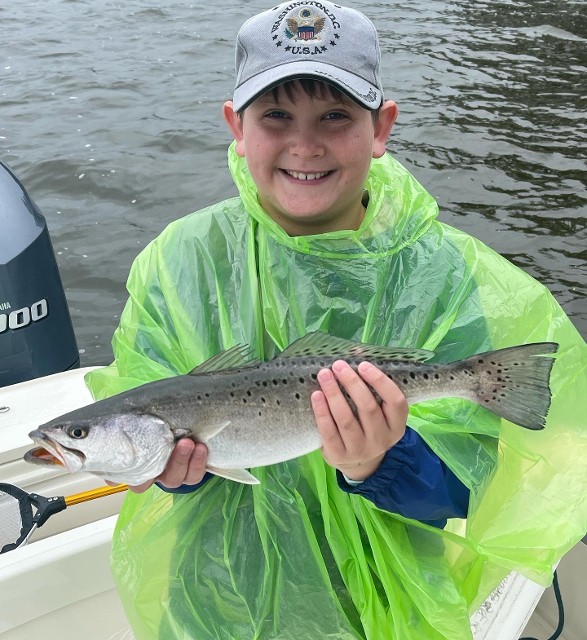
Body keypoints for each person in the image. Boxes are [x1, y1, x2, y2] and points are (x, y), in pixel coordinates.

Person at [86, 2, 587, 639]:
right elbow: (147, 406)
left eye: (335, 115)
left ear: (382, 128)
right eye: (275, 116)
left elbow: (471, 496)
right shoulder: (178, 261)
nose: (305, 144)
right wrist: (172, 475)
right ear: (235, 127)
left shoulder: (446, 275)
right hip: (216, 597)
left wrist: (383, 461)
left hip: (380, 603)